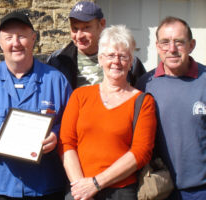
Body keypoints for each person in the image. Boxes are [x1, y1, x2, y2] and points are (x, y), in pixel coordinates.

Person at [0, 11, 72, 200]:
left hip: (46, 185)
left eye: (22, 36)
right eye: (9, 37)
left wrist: (56, 135)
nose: (15, 43)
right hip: (2, 185)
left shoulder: (56, 80)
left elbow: (72, 123)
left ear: (33, 39)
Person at [59, 25, 156, 200]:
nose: (116, 61)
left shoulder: (143, 102)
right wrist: (81, 187)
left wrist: (95, 183)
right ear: (101, 59)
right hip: (79, 190)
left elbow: (141, 152)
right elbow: (66, 143)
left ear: (131, 62)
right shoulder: (80, 96)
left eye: (123, 56)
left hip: (121, 191)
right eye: (110, 55)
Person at [136, 16, 206, 200]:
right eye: (165, 42)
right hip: (158, 189)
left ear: (191, 45)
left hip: (200, 191)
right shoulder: (145, 85)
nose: (172, 49)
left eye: (179, 42)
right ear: (158, 47)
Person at [46, 1, 146, 89]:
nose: (79, 36)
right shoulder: (57, 60)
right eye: (75, 28)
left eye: (86, 28)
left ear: (102, 24)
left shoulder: (127, 62)